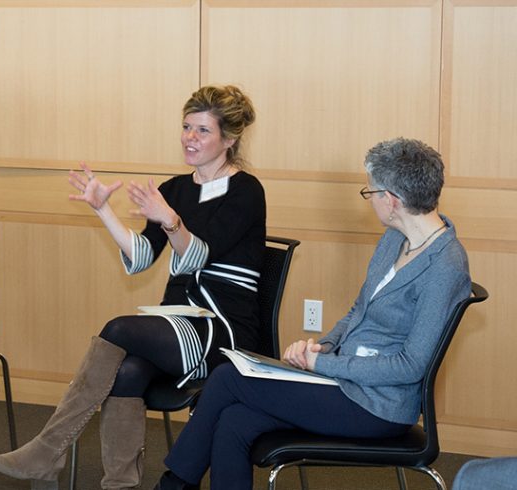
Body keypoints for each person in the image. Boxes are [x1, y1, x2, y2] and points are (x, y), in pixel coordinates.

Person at [153, 138, 472, 490]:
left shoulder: (444, 266)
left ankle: (173, 484)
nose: (370, 200)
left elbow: (411, 366)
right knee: (234, 421)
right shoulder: (395, 240)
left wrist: (324, 365)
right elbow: (358, 311)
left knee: (228, 378)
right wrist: (324, 346)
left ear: (392, 200)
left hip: (378, 406)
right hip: (344, 383)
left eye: (371, 192)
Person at [0, 85, 266, 489]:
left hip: (222, 327)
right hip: (180, 320)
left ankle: (47, 451)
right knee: (128, 372)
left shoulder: (246, 191)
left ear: (230, 139)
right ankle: (119, 484)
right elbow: (139, 260)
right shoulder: (175, 188)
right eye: (187, 127)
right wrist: (103, 211)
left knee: (118, 329)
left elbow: (197, 257)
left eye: (203, 131)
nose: (190, 138)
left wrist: (171, 221)